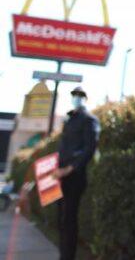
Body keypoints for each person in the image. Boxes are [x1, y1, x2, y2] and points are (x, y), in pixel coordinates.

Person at [53, 86, 100, 260]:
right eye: (75, 95)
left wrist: (69, 168)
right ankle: (63, 255)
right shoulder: (69, 120)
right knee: (60, 220)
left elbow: (89, 148)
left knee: (69, 220)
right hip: (60, 177)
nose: (77, 98)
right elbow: (63, 148)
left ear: (86, 99)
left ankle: (68, 257)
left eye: (80, 95)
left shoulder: (89, 120)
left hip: (74, 177)